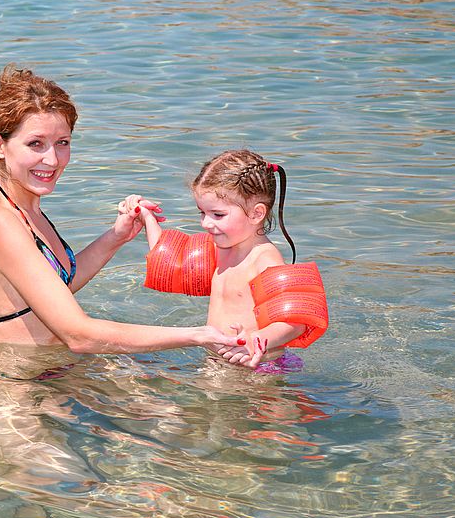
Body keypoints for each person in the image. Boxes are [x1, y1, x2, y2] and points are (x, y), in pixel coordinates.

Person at [0, 64, 240, 355]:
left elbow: (54, 289)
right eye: (35, 144)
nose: (53, 160)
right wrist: (199, 335)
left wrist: (116, 236)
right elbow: (79, 335)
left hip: (49, 369)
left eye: (62, 143)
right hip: (18, 389)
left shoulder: (20, 205)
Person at [124, 149, 327, 370]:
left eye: (217, 215)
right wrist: (147, 218)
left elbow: (294, 322)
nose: (206, 223)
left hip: (258, 366)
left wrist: (257, 340)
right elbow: (170, 260)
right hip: (218, 361)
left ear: (256, 214)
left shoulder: (264, 259)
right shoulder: (220, 248)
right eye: (202, 212)